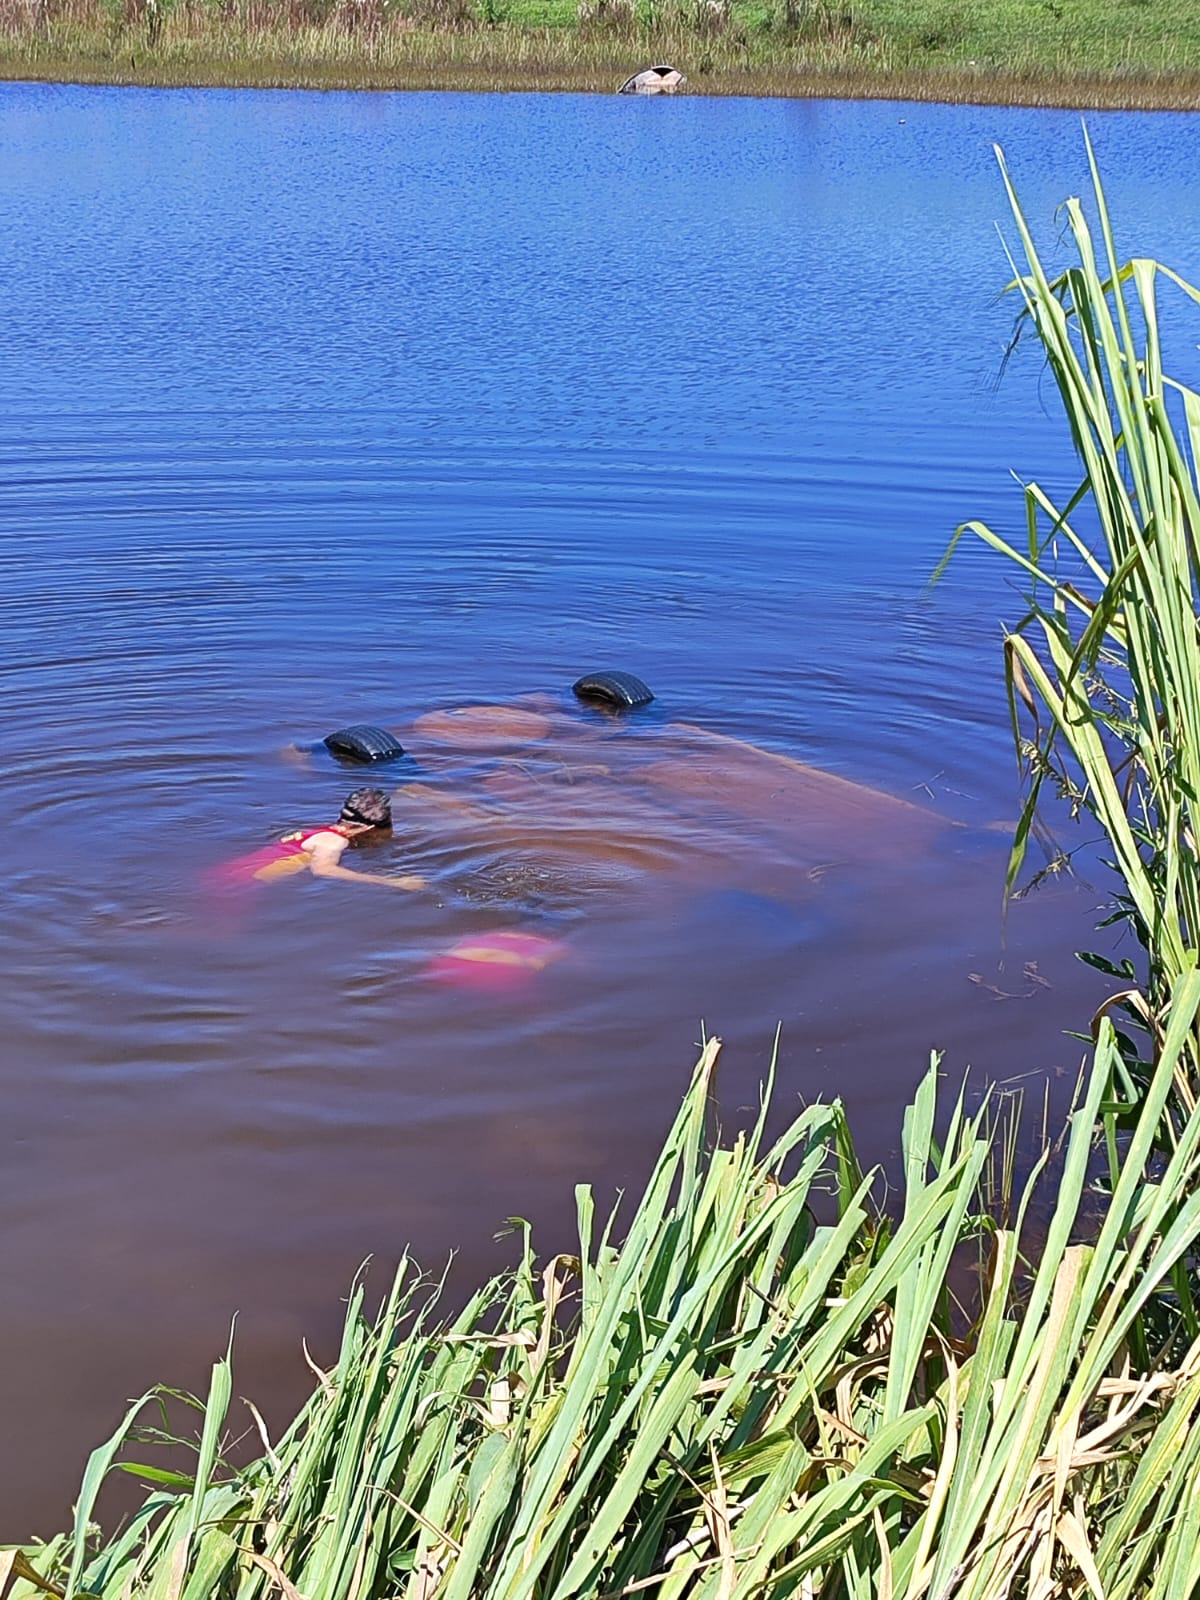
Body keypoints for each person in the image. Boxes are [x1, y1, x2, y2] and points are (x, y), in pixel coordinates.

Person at [211, 789, 425, 892]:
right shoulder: (334, 842)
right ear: (369, 828)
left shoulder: (321, 831)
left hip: (229, 872)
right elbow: (324, 870)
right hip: (241, 885)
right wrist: (391, 882)